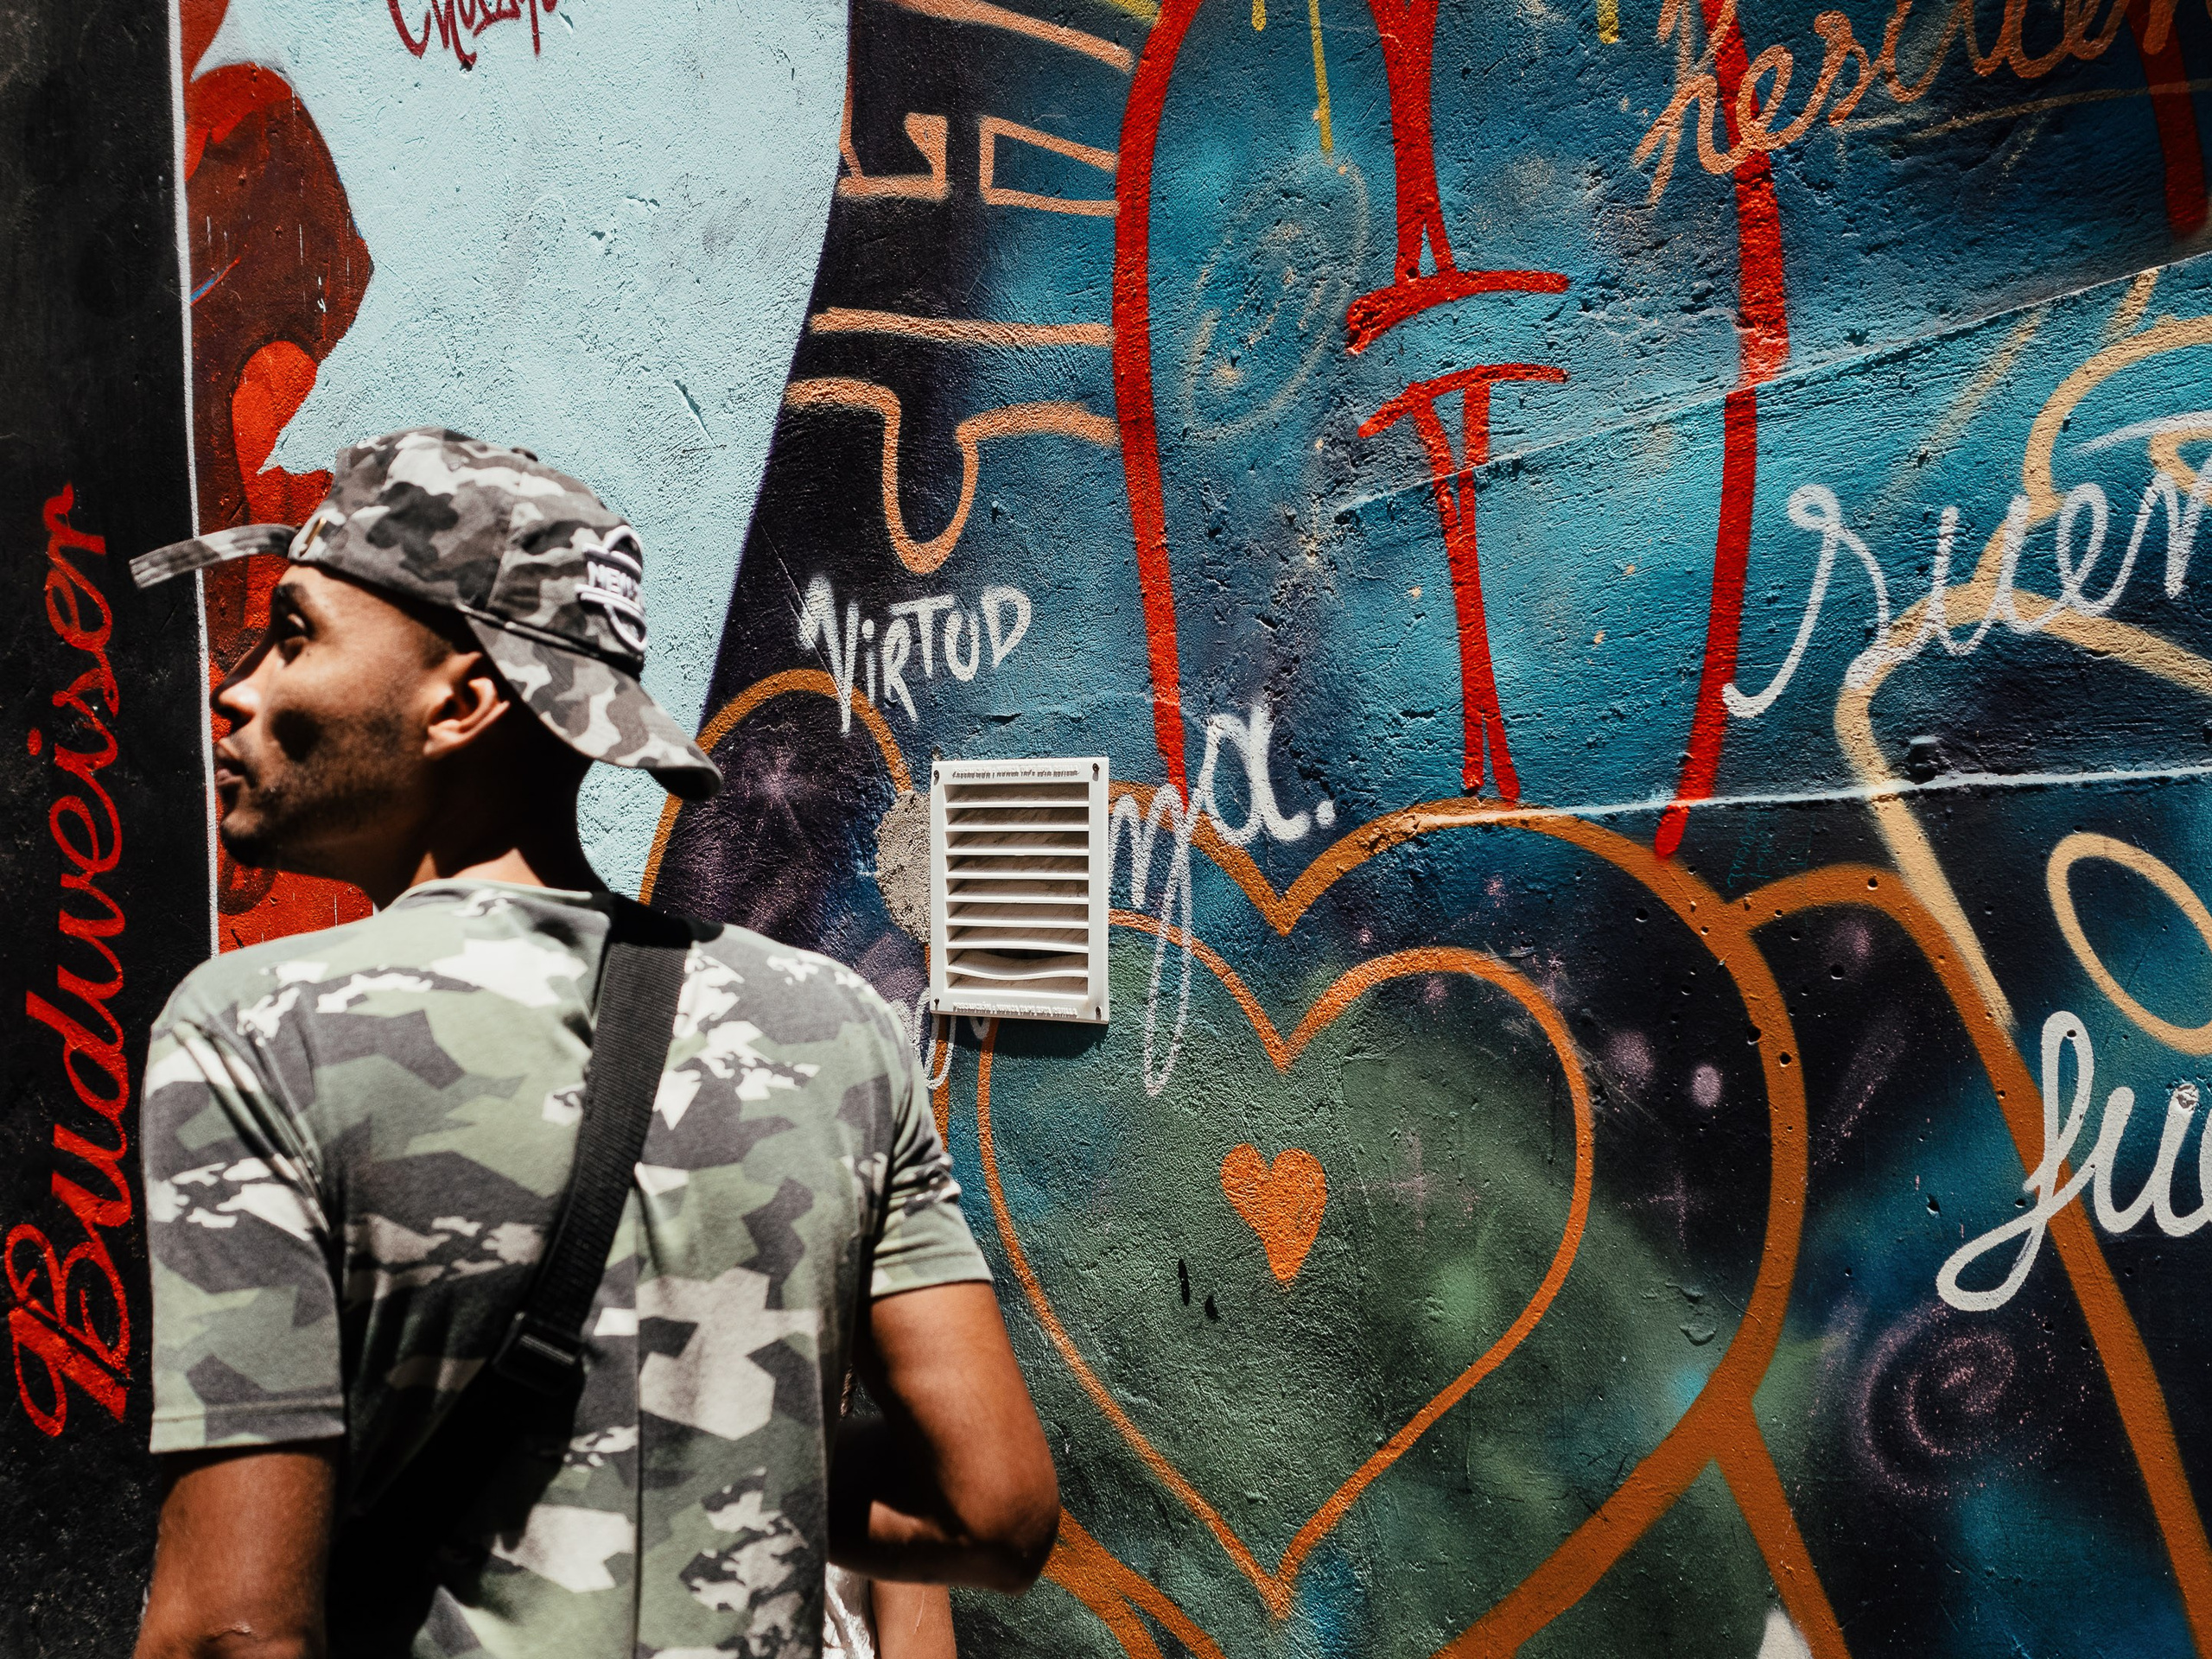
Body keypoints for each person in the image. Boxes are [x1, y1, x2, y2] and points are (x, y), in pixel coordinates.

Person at [128, 429, 1058, 1659]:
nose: (237, 686)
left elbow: (230, 1633)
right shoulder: (841, 1028)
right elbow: (992, 1512)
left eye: (293, 634)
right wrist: (723, 1471)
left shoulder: (253, 1033)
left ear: (460, 703)